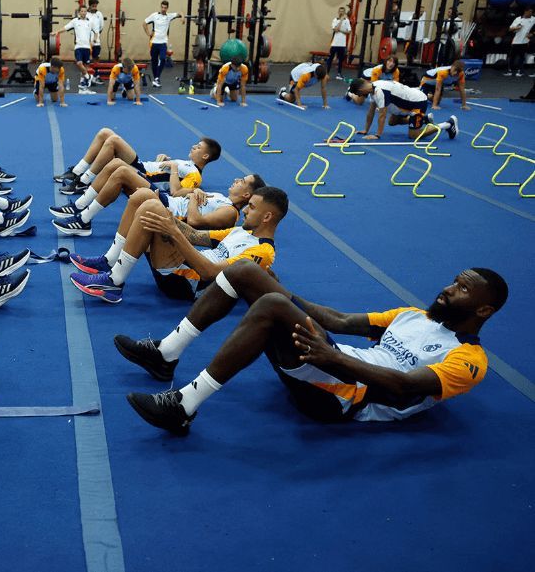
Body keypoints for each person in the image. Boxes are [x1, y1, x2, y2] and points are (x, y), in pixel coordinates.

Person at [120, 263, 508, 435]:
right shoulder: (412, 315)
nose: (448, 288)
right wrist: (282, 291)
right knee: (246, 274)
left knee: (271, 308)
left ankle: (183, 406)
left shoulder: (470, 360)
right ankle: (165, 354)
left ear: (483, 309)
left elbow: (404, 386)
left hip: (350, 398)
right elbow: (338, 322)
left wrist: (333, 357)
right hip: (334, 362)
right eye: (453, 281)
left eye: (461, 288)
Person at [69, 185, 285, 304]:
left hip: (190, 285)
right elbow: (194, 235)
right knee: (144, 196)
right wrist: (170, 221)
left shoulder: (263, 252)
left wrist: (172, 231)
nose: (245, 210)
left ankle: (114, 282)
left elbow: (209, 272)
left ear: (267, 217)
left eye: (252, 208)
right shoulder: (240, 231)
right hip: (180, 269)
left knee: (151, 205)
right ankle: (110, 262)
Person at [51, 137, 220, 236]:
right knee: (106, 134)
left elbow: (175, 193)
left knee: (114, 145)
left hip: (144, 175)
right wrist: (161, 161)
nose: (193, 146)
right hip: (145, 169)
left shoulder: (195, 175)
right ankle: (80, 185)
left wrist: (173, 167)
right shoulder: (189, 164)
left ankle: (81, 201)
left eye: (198, 147)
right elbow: (167, 178)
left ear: (205, 156)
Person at [348, 78, 457, 141]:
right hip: (406, 104)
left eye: (359, 94)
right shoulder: (373, 88)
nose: (360, 96)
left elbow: (382, 115)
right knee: (392, 122)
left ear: (361, 89)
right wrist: (365, 130)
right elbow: (370, 113)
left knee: (413, 135)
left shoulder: (380, 91)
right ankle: (423, 119)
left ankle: (448, 124)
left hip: (417, 104)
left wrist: (377, 135)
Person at [57, 5, 94, 93]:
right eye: (82, 11)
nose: (83, 13)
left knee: (85, 67)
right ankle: (88, 77)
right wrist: (56, 32)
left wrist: (93, 41)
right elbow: (65, 28)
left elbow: (95, 32)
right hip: (78, 47)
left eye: (85, 11)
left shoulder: (90, 22)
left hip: (87, 48)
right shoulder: (75, 21)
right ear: (79, 12)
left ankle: (83, 88)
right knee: (79, 63)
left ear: (86, 12)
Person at [143, 0, 181, 87]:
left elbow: (180, 13)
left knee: (163, 59)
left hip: (163, 42)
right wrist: (148, 33)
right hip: (154, 42)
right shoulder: (154, 15)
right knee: (154, 61)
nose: (163, 9)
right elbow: (144, 23)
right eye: (162, 7)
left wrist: (182, 18)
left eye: (165, 7)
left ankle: (157, 78)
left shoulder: (169, 16)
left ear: (167, 8)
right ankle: (156, 79)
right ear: (160, 7)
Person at [506, 7, 534, 77]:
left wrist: (532, 33)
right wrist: (516, 28)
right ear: (525, 12)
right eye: (530, 11)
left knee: (522, 57)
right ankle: (510, 71)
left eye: (532, 12)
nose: (531, 13)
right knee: (512, 57)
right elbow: (510, 29)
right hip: (516, 41)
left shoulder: (533, 19)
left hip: (525, 41)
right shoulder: (518, 19)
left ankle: (520, 72)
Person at [327, 6, 352, 80]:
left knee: (341, 60)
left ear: (344, 12)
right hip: (335, 44)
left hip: (342, 44)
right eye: (340, 11)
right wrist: (341, 21)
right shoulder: (335, 20)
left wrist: (341, 30)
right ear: (338, 12)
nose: (341, 12)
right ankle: (326, 73)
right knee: (330, 59)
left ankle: (339, 74)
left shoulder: (347, 20)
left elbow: (349, 32)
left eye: (343, 11)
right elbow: (336, 29)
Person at [87, 0, 105, 79]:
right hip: (86, 40)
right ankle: (87, 76)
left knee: (96, 58)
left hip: (96, 41)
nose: (95, 7)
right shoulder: (85, 14)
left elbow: (101, 27)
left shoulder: (99, 14)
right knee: (86, 59)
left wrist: (96, 36)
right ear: (90, 6)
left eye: (96, 6)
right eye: (93, 6)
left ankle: (96, 74)